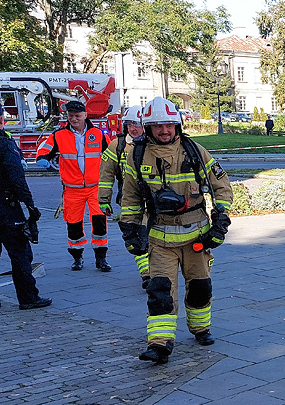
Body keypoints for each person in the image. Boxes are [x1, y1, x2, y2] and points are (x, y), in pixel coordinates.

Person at [119, 96, 233, 364]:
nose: (164, 130)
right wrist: (130, 231)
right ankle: (159, 345)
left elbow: (222, 186)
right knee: (160, 292)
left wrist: (220, 220)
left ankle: (200, 329)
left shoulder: (195, 150)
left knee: (200, 288)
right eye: (157, 126)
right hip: (160, 238)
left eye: (169, 125)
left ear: (178, 125)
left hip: (196, 236)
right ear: (147, 128)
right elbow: (131, 197)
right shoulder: (137, 155)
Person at [35, 99, 111, 272]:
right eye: (71, 116)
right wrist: (42, 159)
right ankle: (77, 258)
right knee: (73, 224)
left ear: (85, 115)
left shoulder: (98, 134)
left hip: (95, 188)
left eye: (77, 115)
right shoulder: (58, 135)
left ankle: (101, 259)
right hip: (72, 189)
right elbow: (44, 149)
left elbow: (111, 156)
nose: (74, 119)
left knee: (100, 222)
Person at [0, 100, 51, 311]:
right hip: (7, 208)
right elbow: (17, 178)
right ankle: (28, 298)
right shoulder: (4, 143)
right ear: (0, 119)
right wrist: (30, 204)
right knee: (20, 254)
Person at [99, 106, 149, 286]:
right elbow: (106, 174)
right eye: (129, 124)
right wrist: (103, 200)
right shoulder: (118, 145)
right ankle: (147, 274)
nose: (133, 128)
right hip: (129, 200)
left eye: (137, 124)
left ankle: (155, 271)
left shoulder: (153, 143)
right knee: (135, 236)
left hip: (152, 201)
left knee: (150, 236)